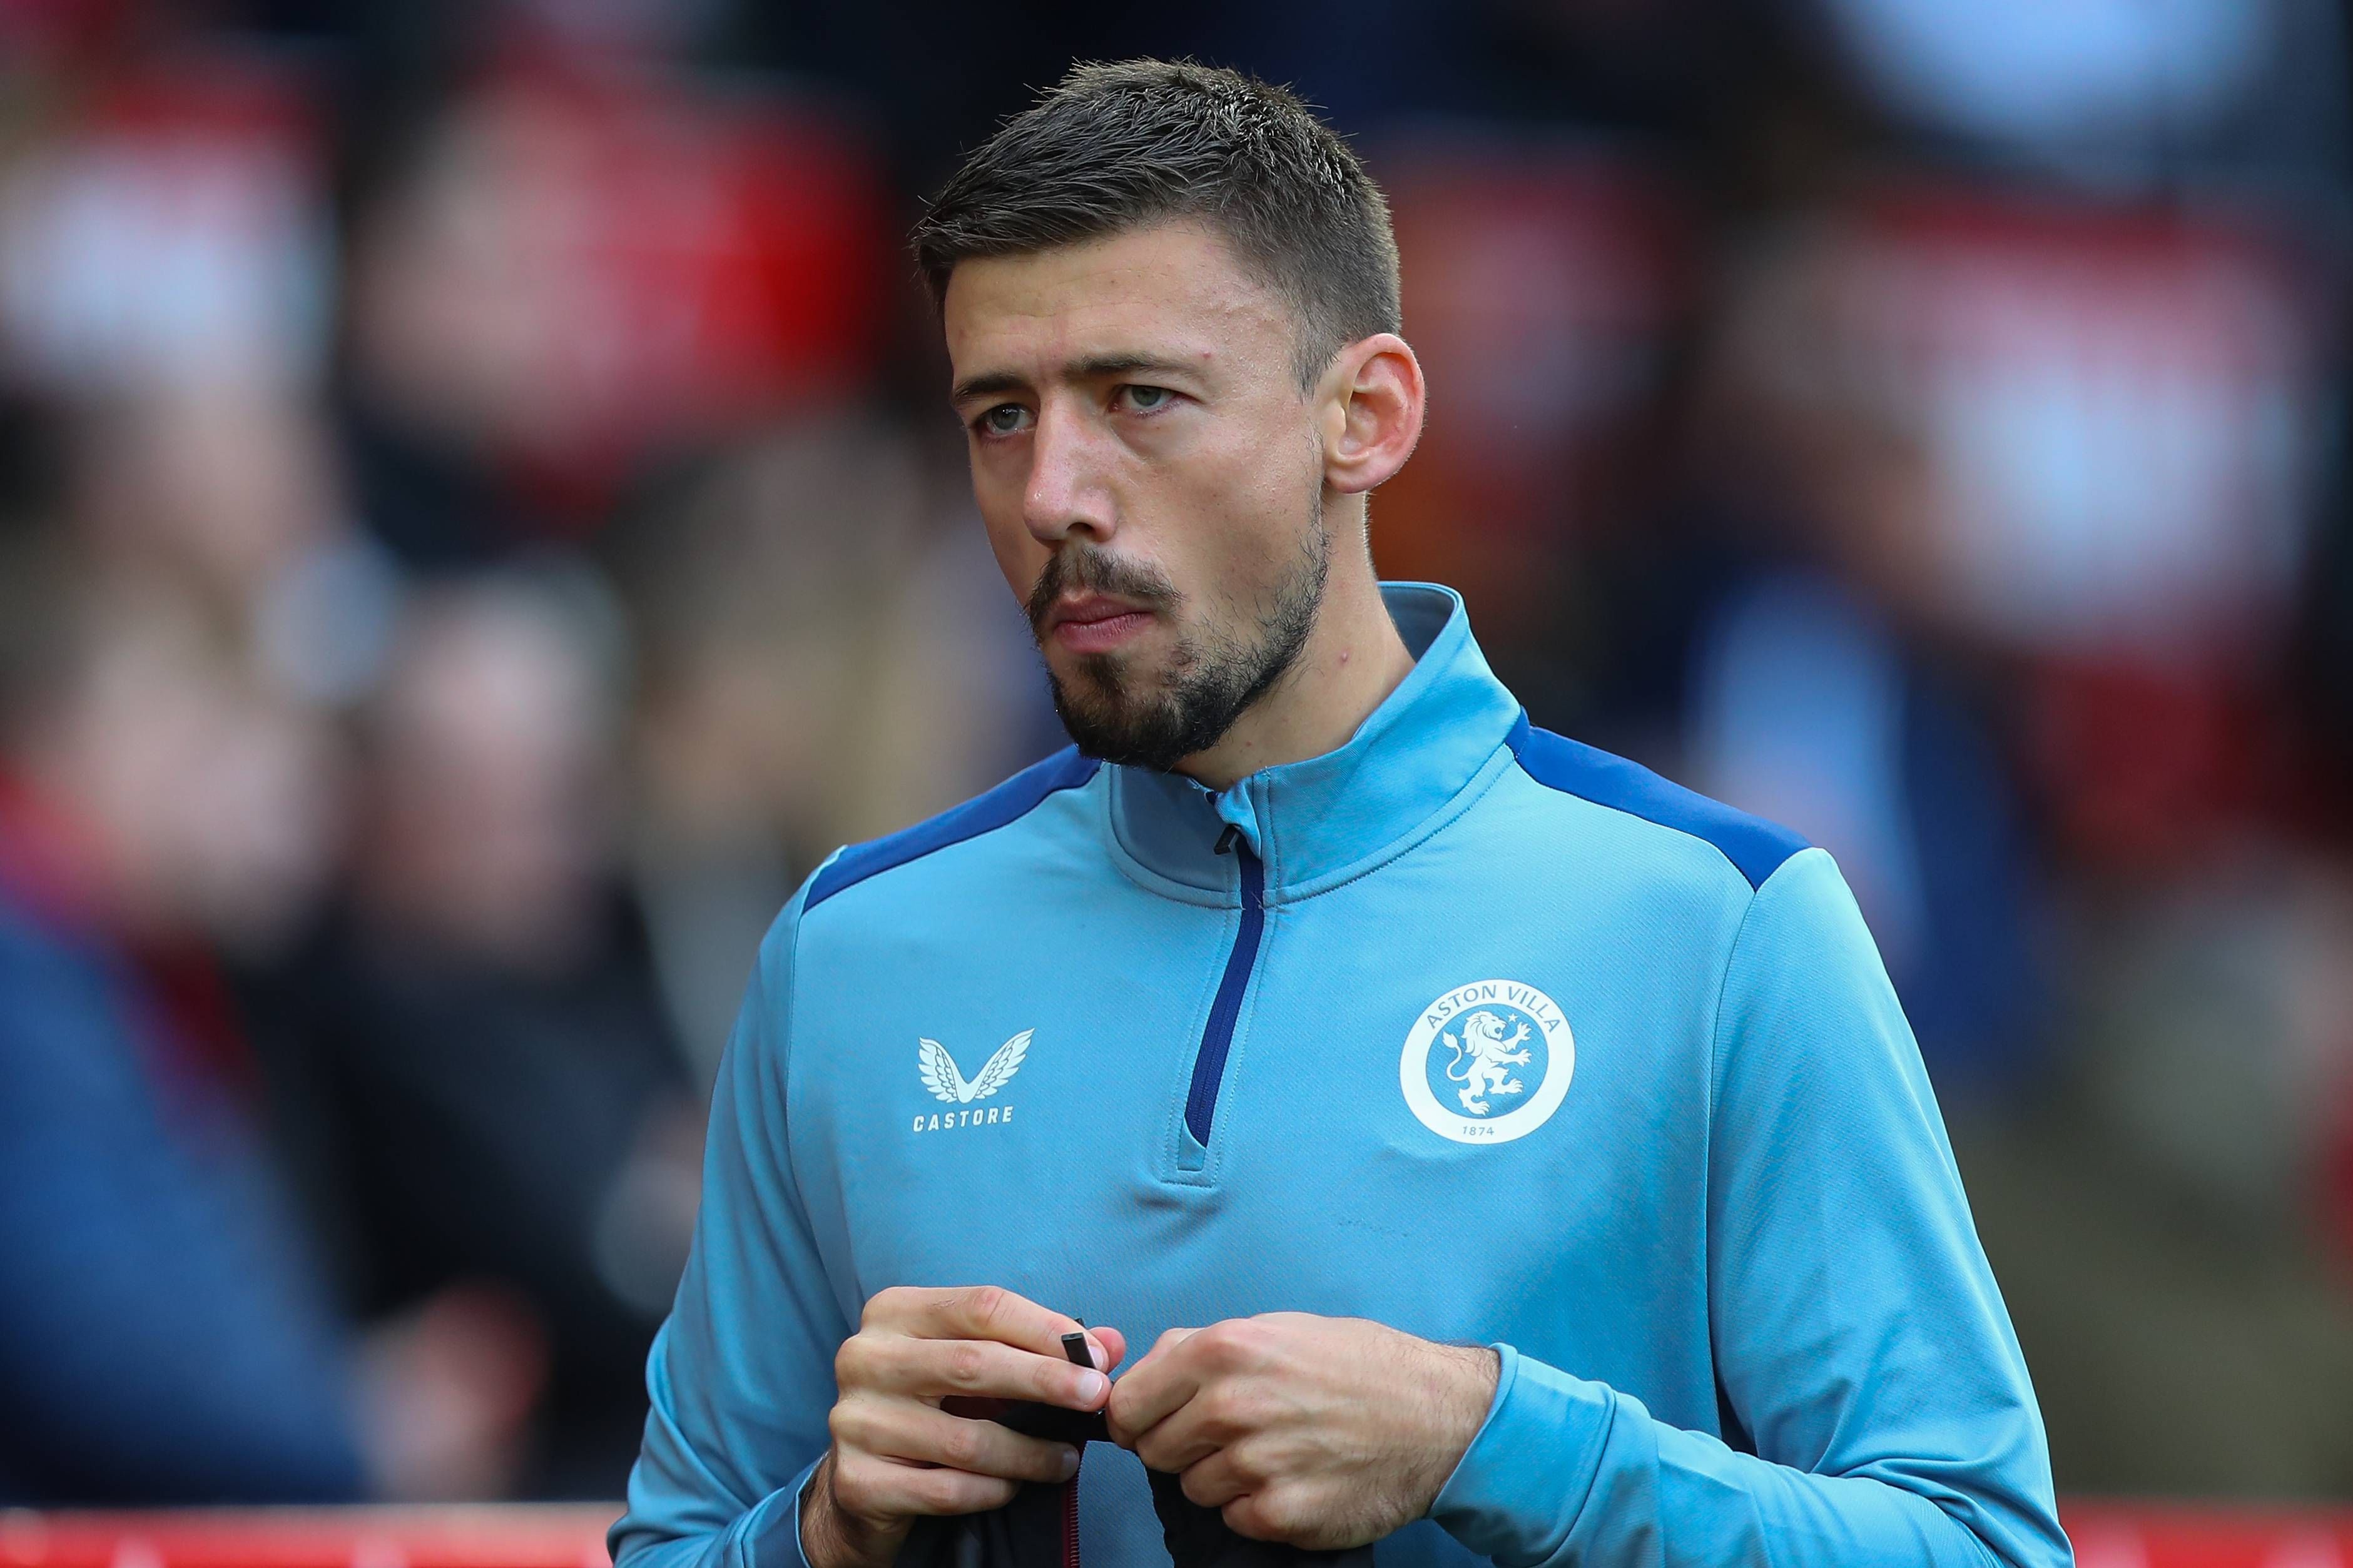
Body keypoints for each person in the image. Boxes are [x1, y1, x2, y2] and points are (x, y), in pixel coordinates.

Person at [611, 60, 2070, 1568]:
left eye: (1140, 399)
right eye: (999, 416)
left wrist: (1491, 1440)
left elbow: (1982, 1546)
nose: (1053, 493)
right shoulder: (853, 949)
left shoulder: (1719, 922)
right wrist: (830, 1531)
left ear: (1364, 416)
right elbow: (676, 1548)